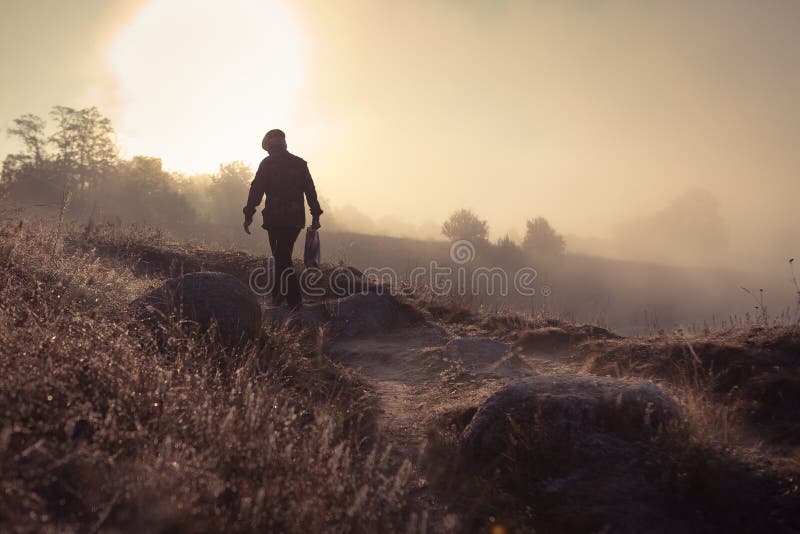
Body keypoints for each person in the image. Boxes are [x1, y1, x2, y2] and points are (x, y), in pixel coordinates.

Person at [243, 129, 323, 309]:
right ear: (284, 144)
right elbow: (310, 191)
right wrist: (315, 214)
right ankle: (277, 296)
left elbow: (256, 190)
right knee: (282, 255)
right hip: (295, 220)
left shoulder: (267, 164)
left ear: (269, 147)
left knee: (281, 256)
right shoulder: (299, 164)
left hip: (275, 219)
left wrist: (249, 214)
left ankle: (294, 301)